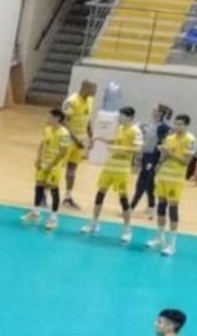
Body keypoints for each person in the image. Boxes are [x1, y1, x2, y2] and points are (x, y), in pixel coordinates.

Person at [80, 106, 143, 244]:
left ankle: (127, 229)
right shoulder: (120, 129)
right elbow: (116, 143)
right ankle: (94, 223)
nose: (119, 119)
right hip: (110, 166)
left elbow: (138, 149)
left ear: (130, 117)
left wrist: (118, 148)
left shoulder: (135, 131)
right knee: (100, 192)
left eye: (122, 116)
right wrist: (101, 139)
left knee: (123, 198)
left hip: (122, 169)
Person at [147, 114, 196, 257]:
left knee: (173, 210)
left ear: (186, 125)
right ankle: (159, 238)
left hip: (176, 179)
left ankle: (172, 244)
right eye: (176, 123)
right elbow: (165, 156)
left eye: (180, 124)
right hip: (163, 177)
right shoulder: (169, 138)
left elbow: (186, 162)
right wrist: (159, 164)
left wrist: (170, 153)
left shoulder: (190, 140)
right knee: (160, 207)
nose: (177, 126)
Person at [21, 109, 72, 231]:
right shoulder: (47, 129)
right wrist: (38, 158)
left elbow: (63, 152)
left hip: (55, 165)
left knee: (54, 189)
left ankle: (53, 218)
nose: (47, 119)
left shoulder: (64, 133)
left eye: (50, 117)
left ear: (57, 118)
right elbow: (42, 144)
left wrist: (51, 164)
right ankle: (36, 212)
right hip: (43, 162)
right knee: (38, 186)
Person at [130, 104, 173, 219]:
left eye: (155, 110)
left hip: (153, 157)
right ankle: (151, 206)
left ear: (160, 113)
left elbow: (164, 144)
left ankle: (131, 207)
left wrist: (159, 162)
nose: (152, 111)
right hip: (146, 155)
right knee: (149, 183)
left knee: (142, 181)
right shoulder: (153, 124)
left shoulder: (163, 127)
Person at [62, 79, 97, 209]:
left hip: (80, 140)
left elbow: (88, 118)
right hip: (67, 139)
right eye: (93, 89)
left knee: (72, 168)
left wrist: (91, 135)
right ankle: (43, 195)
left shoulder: (89, 100)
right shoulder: (71, 102)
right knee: (57, 166)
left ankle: (67, 197)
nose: (95, 92)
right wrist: (76, 139)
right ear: (85, 88)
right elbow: (64, 122)